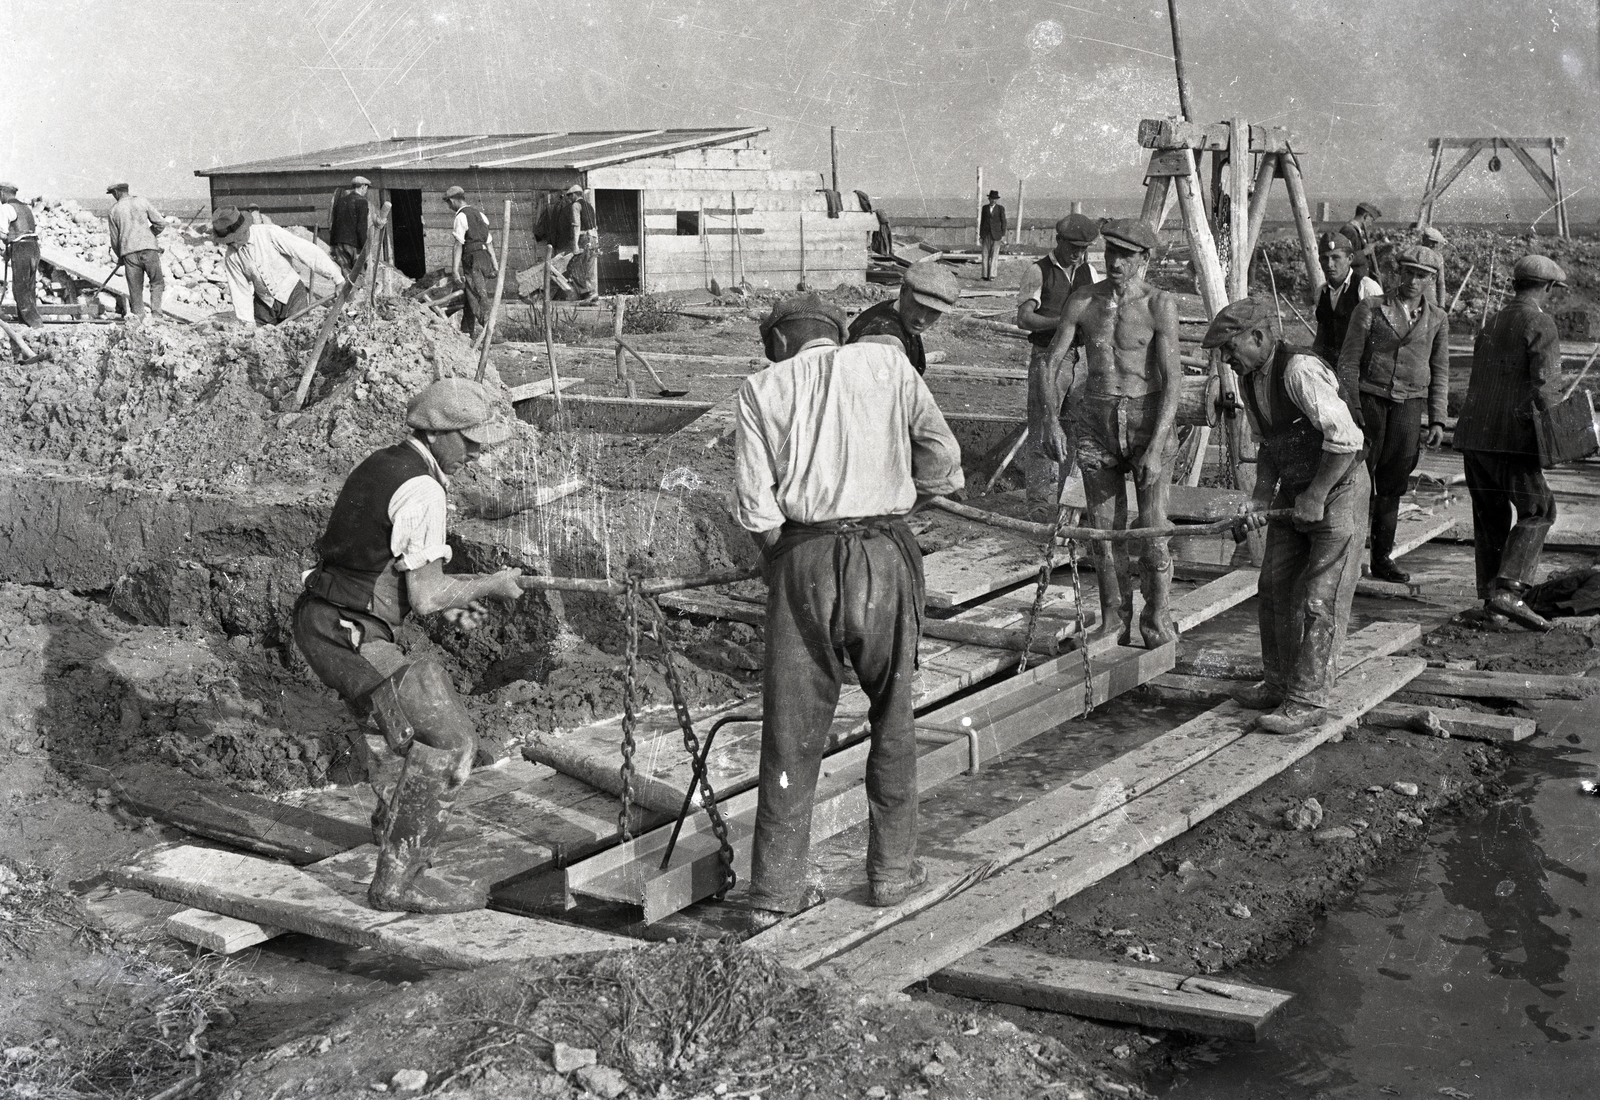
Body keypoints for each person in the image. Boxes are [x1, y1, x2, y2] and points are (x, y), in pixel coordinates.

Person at [734, 294, 964, 924]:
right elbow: (943, 458)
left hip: (804, 561)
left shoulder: (761, 387)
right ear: (835, 334)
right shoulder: (889, 366)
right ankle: (891, 874)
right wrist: (903, 499)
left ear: (779, 342)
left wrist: (782, 560)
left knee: (791, 730)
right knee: (893, 716)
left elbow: (757, 509)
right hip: (885, 556)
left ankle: (775, 893)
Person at [292, 378, 524, 913]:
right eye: (468, 441)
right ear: (438, 434)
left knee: (391, 731)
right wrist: (492, 583)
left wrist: (473, 600)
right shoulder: (424, 490)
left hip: (325, 617)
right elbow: (426, 596)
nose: (477, 451)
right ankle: (395, 886)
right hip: (347, 631)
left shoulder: (387, 462)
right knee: (449, 741)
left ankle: (389, 830)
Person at [1203, 298, 1369, 734]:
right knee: (1274, 585)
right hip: (1297, 492)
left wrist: (1316, 495)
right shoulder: (1248, 378)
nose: (1225, 358)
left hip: (1339, 489)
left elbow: (1347, 440)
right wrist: (1260, 498)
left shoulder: (1299, 371)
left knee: (1321, 596)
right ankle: (1278, 683)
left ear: (1258, 337)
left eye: (1229, 347)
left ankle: (1308, 699)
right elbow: (1269, 445)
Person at [1038, 218, 1178, 647]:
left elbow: (1172, 379)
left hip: (1145, 416)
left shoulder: (1160, 304)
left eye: (1127, 256)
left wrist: (1156, 445)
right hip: (1096, 420)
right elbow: (1053, 361)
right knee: (1103, 530)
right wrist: (1051, 419)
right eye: (1111, 253)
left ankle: (1157, 621)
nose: (1116, 263)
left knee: (1153, 530)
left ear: (1144, 260)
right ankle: (1113, 621)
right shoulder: (1083, 300)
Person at [1452, 254, 1567, 631]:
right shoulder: (1539, 321)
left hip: (1473, 434)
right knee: (1539, 510)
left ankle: (1492, 602)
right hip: (1510, 439)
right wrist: (1558, 439)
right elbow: (1545, 387)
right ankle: (1510, 591)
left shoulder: (1492, 321)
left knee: (1490, 516)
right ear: (1548, 288)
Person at [1338, 245, 1449, 583]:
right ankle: (1344, 557)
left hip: (1408, 407)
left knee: (1393, 483)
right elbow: (1349, 362)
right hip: (1370, 403)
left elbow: (1440, 370)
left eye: (1422, 275)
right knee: (1354, 478)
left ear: (1431, 280)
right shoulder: (1371, 308)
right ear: (1398, 272)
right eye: (1408, 272)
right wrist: (1352, 406)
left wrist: (1438, 419)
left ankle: (1383, 558)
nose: (1414, 280)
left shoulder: (1438, 318)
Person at [1017, 213, 1102, 509]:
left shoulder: (1089, 272)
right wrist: (1063, 323)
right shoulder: (1038, 271)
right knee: (1043, 430)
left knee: (1078, 433)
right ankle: (1038, 503)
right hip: (1047, 357)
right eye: (1073, 247)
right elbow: (1024, 318)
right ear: (1058, 241)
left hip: (1080, 361)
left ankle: (1070, 499)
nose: (1078, 254)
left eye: (1084, 248)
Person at [213, 206, 344, 326]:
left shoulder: (269, 233)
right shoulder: (231, 256)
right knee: (262, 341)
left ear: (243, 230)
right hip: (264, 301)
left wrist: (337, 279)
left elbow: (307, 252)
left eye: (233, 240)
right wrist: (247, 322)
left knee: (298, 336)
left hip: (292, 293)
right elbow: (239, 290)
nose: (232, 245)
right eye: (228, 242)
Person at [844, 261, 959, 377]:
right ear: (903, 291)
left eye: (934, 312)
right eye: (918, 306)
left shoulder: (895, 311)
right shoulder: (887, 342)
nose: (922, 319)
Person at [1312, 231, 1381, 362]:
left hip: (1359, 366)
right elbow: (1321, 334)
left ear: (1349, 259)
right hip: (1330, 366)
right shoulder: (1321, 292)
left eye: (1336, 257)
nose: (1329, 264)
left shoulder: (1366, 287)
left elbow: (1380, 335)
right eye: (1324, 259)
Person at [106, 183, 167, 322]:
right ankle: (157, 316)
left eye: (113, 194)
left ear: (116, 192)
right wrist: (150, 234)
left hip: (129, 253)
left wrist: (120, 255)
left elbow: (114, 239)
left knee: (135, 287)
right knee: (157, 283)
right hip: (149, 249)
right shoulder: (142, 201)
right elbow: (161, 223)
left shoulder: (114, 210)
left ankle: (139, 319)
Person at [445, 185, 497, 337]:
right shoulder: (480, 215)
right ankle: (467, 330)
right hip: (485, 257)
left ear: (453, 200)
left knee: (476, 295)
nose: (449, 207)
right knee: (472, 292)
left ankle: (492, 333)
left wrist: (455, 271)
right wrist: (495, 265)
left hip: (472, 258)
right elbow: (489, 243)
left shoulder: (461, 217)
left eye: (448, 203)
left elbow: (458, 244)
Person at [541, 184, 597, 301]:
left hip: (583, 238)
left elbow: (576, 226)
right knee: (589, 268)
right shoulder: (589, 206)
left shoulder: (576, 206)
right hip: (593, 238)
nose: (569, 198)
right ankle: (592, 294)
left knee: (573, 267)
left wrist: (575, 245)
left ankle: (587, 294)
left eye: (570, 196)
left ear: (575, 194)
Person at [0, 182, 43, 329]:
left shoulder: (6, 208)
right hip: (34, 247)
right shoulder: (25, 207)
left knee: (19, 287)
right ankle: (25, 323)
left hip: (21, 248)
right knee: (28, 286)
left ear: (2, 193)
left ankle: (36, 324)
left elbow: (4, 234)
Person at [330, 176, 372, 277]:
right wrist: (365, 246)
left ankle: (346, 292)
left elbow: (334, 223)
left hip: (338, 243)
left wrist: (332, 244)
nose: (366, 191)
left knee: (345, 274)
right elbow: (361, 227)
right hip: (353, 245)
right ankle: (358, 292)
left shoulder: (340, 201)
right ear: (362, 187)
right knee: (358, 274)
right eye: (366, 188)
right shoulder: (362, 202)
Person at [1338, 201, 1383, 287]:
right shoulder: (1349, 231)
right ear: (1365, 216)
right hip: (1351, 284)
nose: (1370, 224)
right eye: (1371, 220)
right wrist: (1365, 251)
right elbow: (1344, 259)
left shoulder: (1355, 231)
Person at [979, 189, 1006, 280]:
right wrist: (981, 236)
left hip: (996, 236)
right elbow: (982, 222)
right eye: (992, 198)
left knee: (994, 256)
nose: (993, 200)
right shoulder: (984, 208)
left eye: (995, 199)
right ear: (989, 199)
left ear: (997, 200)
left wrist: (1002, 235)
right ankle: (985, 275)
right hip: (986, 235)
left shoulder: (1000, 208)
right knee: (985, 255)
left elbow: (1004, 222)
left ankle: (992, 275)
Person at [1420, 226, 1448, 306]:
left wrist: (1441, 305)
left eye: (1436, 243)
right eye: (1431, 242)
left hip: (1430, 301)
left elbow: (1441, 283)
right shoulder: (1416, 254)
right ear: (1424, 239)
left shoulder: (1438, 257)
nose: (1433, 245)